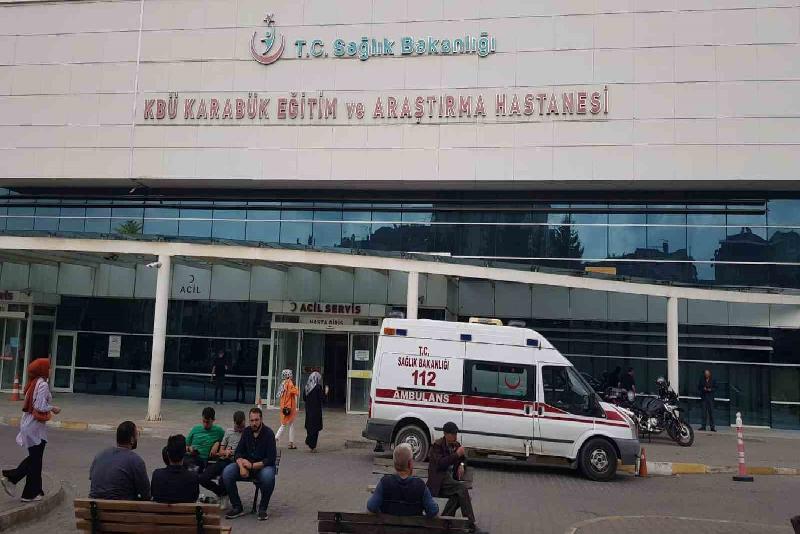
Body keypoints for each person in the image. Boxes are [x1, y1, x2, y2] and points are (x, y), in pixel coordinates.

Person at [1, 358, 60, 502]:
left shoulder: (34, 383)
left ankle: (34, 491)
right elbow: (39, 406)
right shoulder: (42, 384)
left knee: (35, 459)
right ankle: (15, 482)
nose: (51, 370)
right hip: (34, 428)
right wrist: (53, 408)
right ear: (42, 370)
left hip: (29, 425)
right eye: (49, 367)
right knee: (35, 460)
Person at [222, 407, 277, 521]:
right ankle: (237, 507)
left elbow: (271, 459)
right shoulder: (246, 432)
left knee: (268, 477)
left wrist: (252, 466)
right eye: (252, 420)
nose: (254, 423)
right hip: (246, 465)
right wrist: (242, 466)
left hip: (262, 467)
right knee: (227, 472)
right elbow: (238, 453)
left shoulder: (269, 434)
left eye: (256, 420)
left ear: (261, 419)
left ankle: (262, 508)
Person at [427, 422, 481, 529]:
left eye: (456, 433)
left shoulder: (456, 445)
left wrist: (462, 465)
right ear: (445, 434)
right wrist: (456, 455)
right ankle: (471, 524)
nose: (455, 436)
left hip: (450, 483)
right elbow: (441, 464)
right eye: (453, 434)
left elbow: (464, 459)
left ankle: (444, 522)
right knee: (462, 489)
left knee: (458, 496)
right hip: (439, 482)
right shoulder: (437, 446)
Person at [367, 443, 438, 517]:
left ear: (394, 464)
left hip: (388, 524)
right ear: (410, 463)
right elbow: (433, 511)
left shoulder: (384, 483)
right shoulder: (420, 486)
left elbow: (371, 507)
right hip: (413, 524)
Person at [89, 421, 150, 500]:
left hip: (95, 507)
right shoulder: (136, 461)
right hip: (122, 507)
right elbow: (145, 494)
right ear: (132, 440)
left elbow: (93, 480)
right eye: (137, 435)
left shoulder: (99, 456)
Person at [199, 410, 246, 506]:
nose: (239, 429)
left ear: (245, 422)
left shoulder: (248, 433)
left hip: (236, 462)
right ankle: (222, 493)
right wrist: (225, 452)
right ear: (234, 422)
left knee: (223, 478)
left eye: (242, 427)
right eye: (237, 427)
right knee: (203, 478)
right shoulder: (229, 432)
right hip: (224, 460)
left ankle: (224, 497)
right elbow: (221, 451)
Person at [151, 434, 199, 504]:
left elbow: (153, 494)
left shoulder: (157, 475)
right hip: (185, 511)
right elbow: (195, 497)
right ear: (184, 454)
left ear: (167, 454)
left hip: (160, 510)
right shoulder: (193, 477)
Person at [185, 406, 225, 472]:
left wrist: (217, 443)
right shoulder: (196, 429)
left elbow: (226, 442)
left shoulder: (219, 431)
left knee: (193, 468)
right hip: (191, 456)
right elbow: (186, 444)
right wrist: (189, 448)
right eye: (203, 421)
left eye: (208, 422)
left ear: (213, 420)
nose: (205, 424)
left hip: (203, 459)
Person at [275, 369, 298, 449]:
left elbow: (280, 395)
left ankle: (291, 443)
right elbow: (296, 392)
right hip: (289, 407)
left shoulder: (283, 383)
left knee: (288, 424)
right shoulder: (290, 383)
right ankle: (276, 438)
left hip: (283, 407)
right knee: (285, 424)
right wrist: (296, 387)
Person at [303, 371, 324, 452]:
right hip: (316, 410)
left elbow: (304, 398)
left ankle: (309, 441)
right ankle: (312, 446)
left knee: (309, 426)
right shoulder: (318, 387)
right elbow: (321, 399)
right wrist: (326, 392)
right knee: (315, 428)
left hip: (308, 409)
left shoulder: (307, 387)